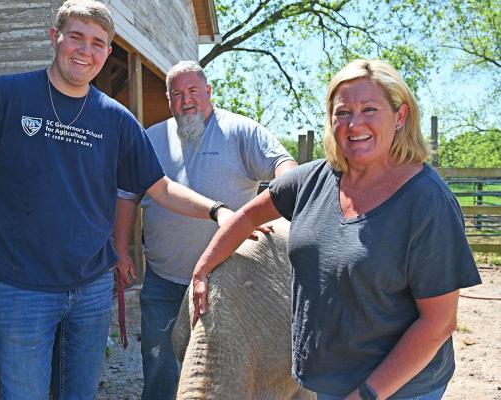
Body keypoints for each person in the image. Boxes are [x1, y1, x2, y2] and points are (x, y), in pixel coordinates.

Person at [0, 2, 236, 399]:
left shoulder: (116, 119)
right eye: (76, 37)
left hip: (91, 289)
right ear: (55, 37)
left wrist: (219, 212)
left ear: (107, 52)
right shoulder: (6, 96)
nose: (86, 50)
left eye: (98, 43)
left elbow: (161, 187)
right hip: (21, 289)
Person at [190, 59, 482, 400]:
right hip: (324, 381)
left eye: (369, 109)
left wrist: (367, 394)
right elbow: (246, 217)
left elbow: (438, 324)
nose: (354, 123)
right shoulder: (312, 180)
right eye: (342, 112)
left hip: (397, 389)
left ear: (400, 116)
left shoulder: (426, 202)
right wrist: (203, 268)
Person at [114, 60, 297, 400]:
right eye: (177, 94)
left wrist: (289, 203)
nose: (186, 100)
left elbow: (283, 167)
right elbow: (127, 197)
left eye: (193, 91)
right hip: (164, 278)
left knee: (220, 372)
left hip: (229, 281)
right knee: (159, 367)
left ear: (209, 92)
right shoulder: (151, 138)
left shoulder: (241, 131)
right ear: (169, 99)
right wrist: (122, 251)